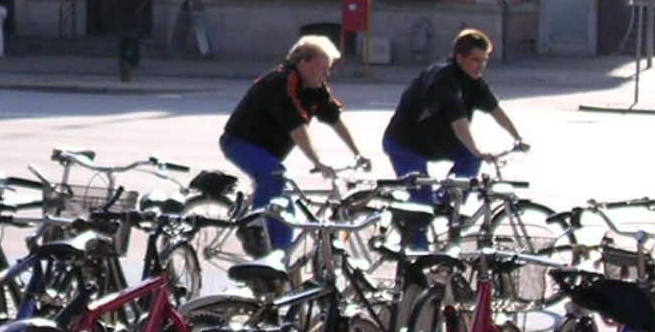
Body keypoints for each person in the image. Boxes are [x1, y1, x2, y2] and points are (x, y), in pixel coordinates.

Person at [219, 35, 366, 255]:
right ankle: (253, 226)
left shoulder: (316, 87)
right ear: (303, 63)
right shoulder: (281, 82)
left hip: (269, 152)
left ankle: (279, 262)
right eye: (322, 67)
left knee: (286, 215)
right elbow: (296, 128)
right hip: (240, 143)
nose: (326, 74)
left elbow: (334, 118)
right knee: (275, 174)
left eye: (328, 68)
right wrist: (318, 161)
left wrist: (358, 152)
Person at [383, 27, 526, 190]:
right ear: (460, 58)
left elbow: (496, 111)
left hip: (437, 142)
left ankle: (449, 199)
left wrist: (517, 137)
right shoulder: (445, 78)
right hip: (407, 143)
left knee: (470, 162)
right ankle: (426, 203)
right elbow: (459, 122)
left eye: (484, 60)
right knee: (423, 198)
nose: (481, 66)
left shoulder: (474, 80)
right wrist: (476, 150)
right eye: (476, 60)